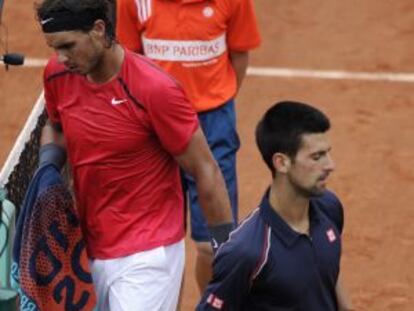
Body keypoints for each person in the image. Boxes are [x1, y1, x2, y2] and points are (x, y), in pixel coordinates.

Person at [34, 0, 234, 310]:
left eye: (68, 46)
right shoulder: (57, 74)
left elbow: (205, 168)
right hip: (86, 246)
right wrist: (48, 166)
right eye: (54, 48)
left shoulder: (155, 89)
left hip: (148, 252)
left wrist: (227, 254)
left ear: (99, 30)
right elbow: (55, 124)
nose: (61, 57)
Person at [116, 0, 261, 291]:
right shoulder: (132, 2)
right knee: (159, 248)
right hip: (154, 127)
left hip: (213, 125)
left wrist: (216, 98)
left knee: (212, 246)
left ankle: (212, 305)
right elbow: (129, 61)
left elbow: (239, 56)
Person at [197, 101, 354, 310]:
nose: (330, 165)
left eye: (327, 153)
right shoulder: (247, 251)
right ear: (281, 163)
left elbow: (328, 271)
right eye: (317, 157)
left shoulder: (329, 207)